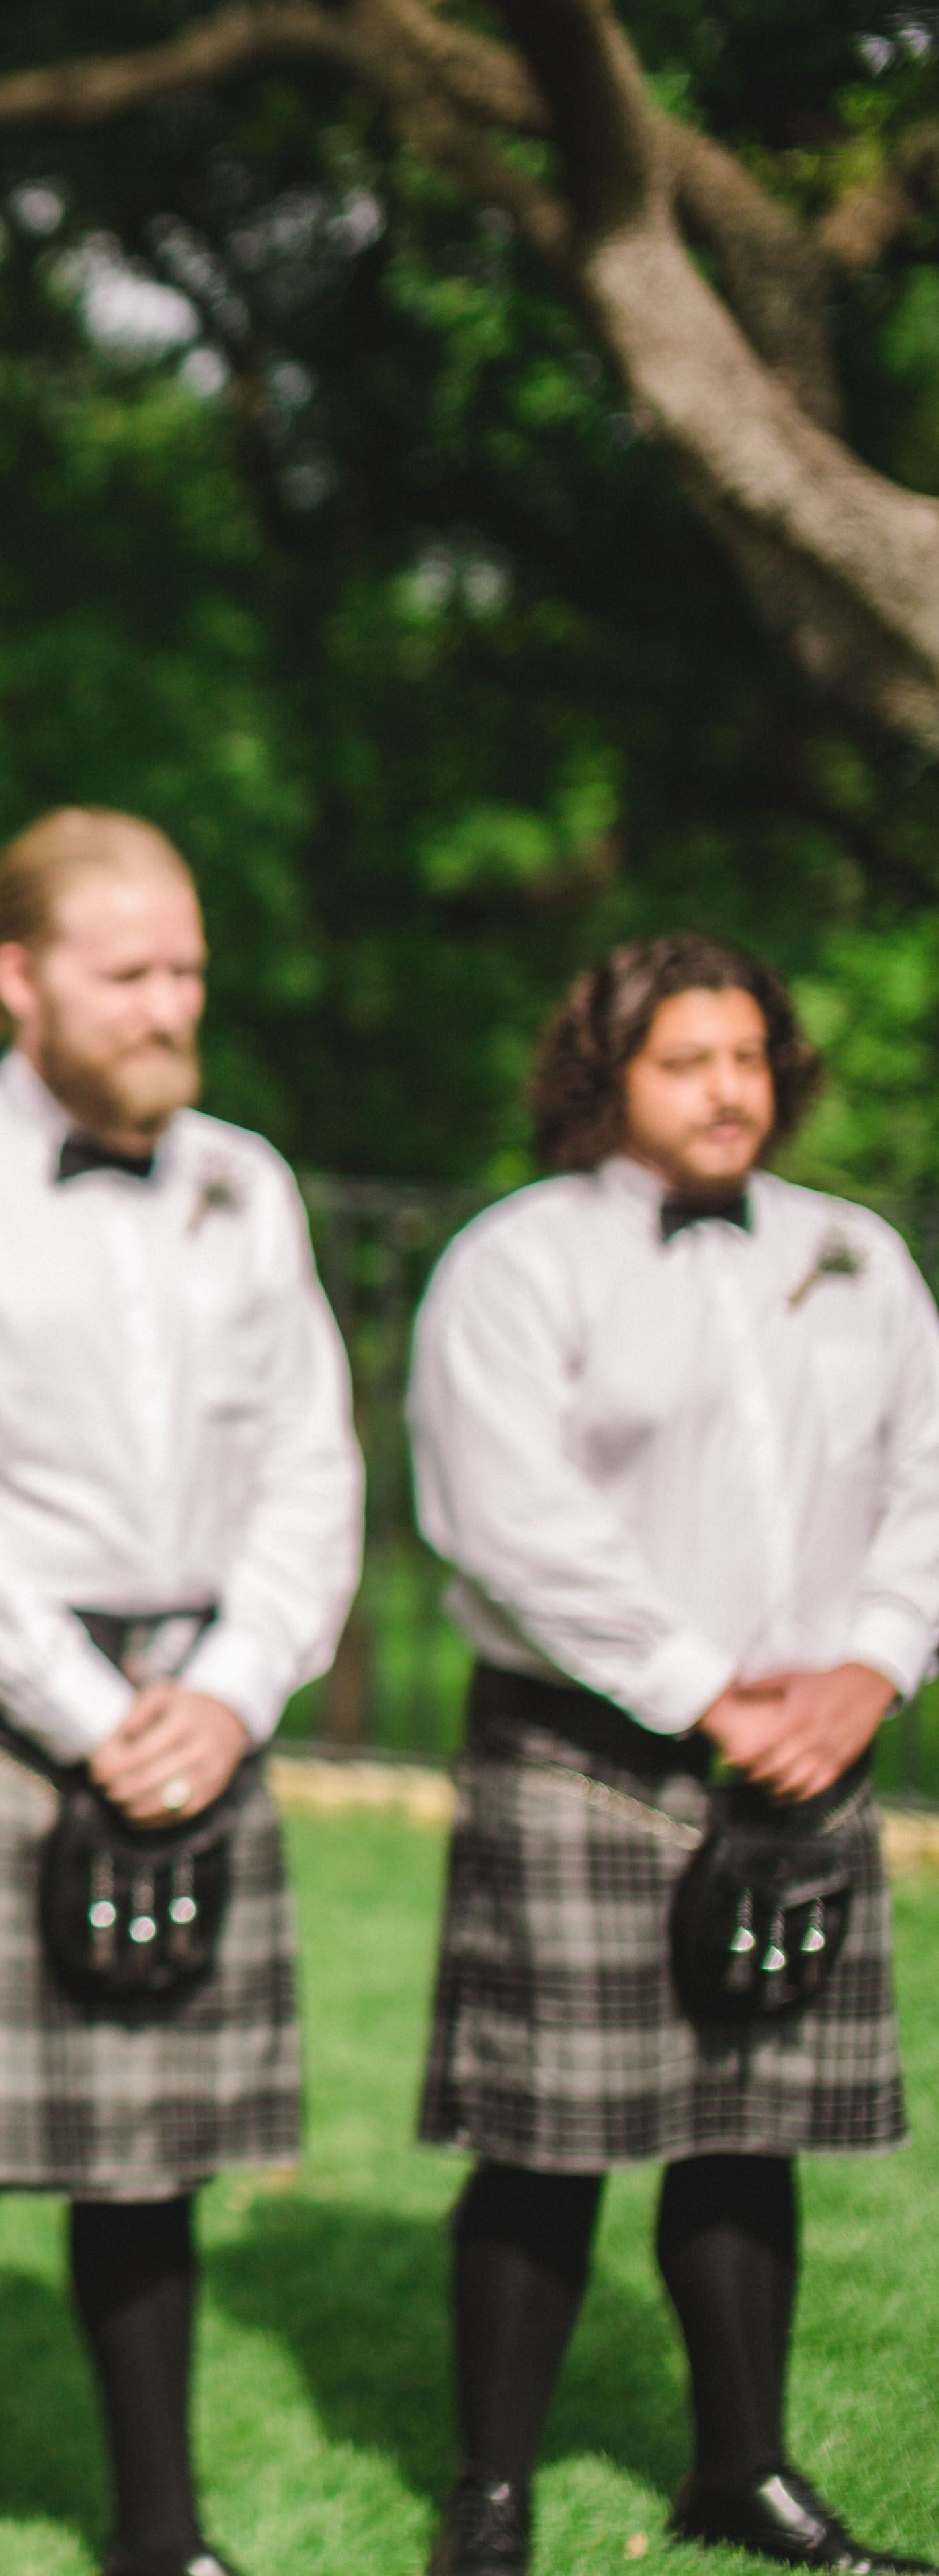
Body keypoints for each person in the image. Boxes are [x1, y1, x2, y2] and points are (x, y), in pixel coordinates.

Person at [0, 807, 359, 2576]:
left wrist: (235, 1682)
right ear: (21, 979)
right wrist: (80, 1702)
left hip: (198, 1696)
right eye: (132, 972)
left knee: (153, 2156)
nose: (172, 1001)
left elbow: (311, 1464)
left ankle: (163, 2536)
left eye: (188, 967)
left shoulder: (244, 1183)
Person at [405, 935, 932, 2576]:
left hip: (809, 1741)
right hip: (584, 1742)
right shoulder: (515, 1264)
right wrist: (709, 1690)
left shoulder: (856, 1255)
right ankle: (489, 2491)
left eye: (746, 1056)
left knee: (743, 2119)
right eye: (682, 1059)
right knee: (545, 2128)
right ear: (600, 1077)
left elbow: (922, 1479)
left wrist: (868, 1666)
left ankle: (740, 2470)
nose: (726, 1089)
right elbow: (503, 1514)